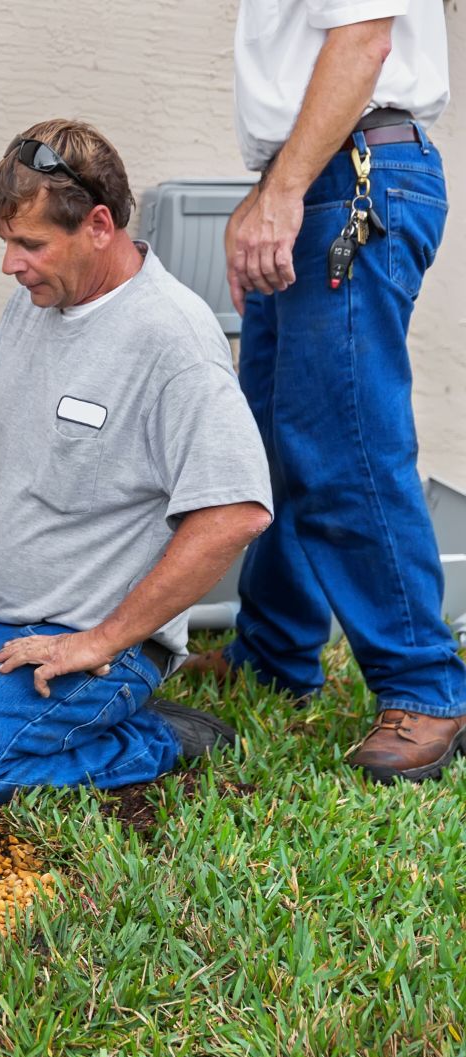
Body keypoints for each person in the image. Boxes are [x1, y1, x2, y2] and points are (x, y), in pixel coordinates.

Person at [0, 119, 274, 809]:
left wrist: (104, 638)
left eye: (30, 245)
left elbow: (235, 513)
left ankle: (152, 740)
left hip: (80, 639)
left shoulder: (172, 340)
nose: (11, 264)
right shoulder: (37, 301)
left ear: (99, 225)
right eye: (9, 244)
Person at [181, 2, 463, 784]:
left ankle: (426, 687)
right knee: (275, 440)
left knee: (344, 443)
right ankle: (275, 652)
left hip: (351, 177)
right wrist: (276, 190)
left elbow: (365, 39)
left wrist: (283, 192)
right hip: (316, 178)